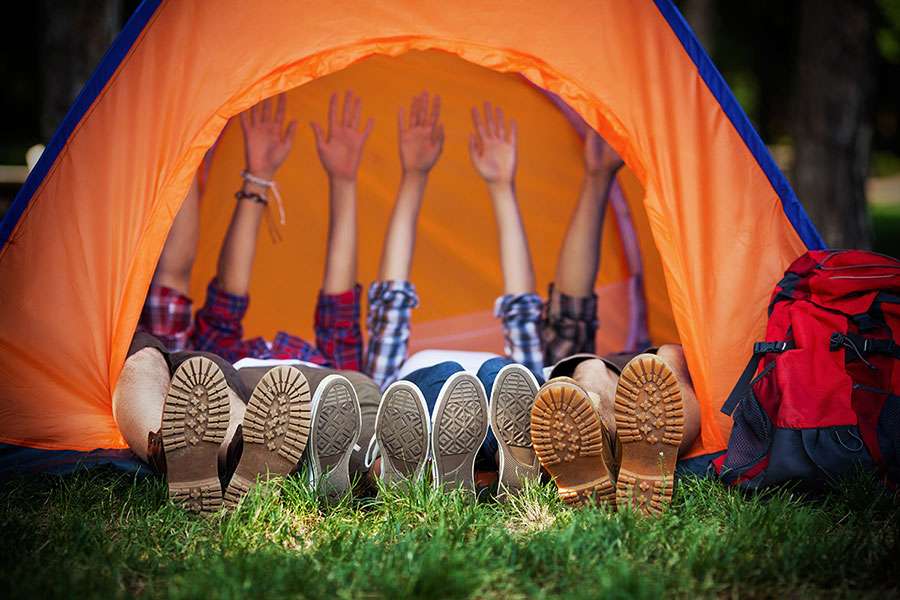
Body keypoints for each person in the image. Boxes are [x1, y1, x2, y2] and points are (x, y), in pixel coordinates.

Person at [365, 99, 545, 499]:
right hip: (429, 409)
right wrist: (413, 176)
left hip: (492, 414)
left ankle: (462, 464)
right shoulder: (394, 376)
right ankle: (458, 461)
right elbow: (389, 307)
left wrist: (502, 186)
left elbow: (523, 316)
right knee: (455, 377)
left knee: (505, 376)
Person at [531, 130, 701, 516]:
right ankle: (640, 458)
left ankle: (609, 449)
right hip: (548, 386)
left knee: (610, 372)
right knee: (604, 369)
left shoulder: (527, 347)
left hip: (552, 386)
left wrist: (597, 176)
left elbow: (570, 309)